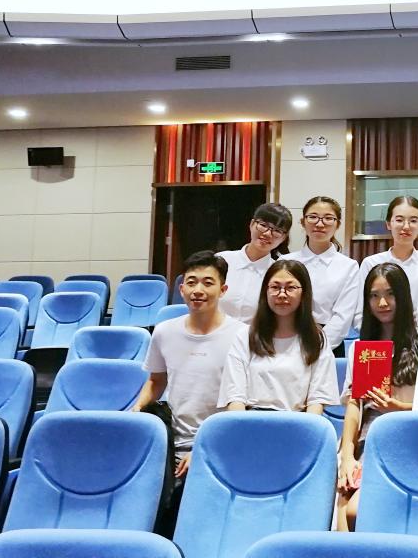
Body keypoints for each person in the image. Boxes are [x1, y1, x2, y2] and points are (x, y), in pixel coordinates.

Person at [134, 251, 243, 534]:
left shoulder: (241, 335)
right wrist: (136, 410)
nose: (198, 290)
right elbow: (156, 381)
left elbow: (241, 401)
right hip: (172, 443)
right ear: (181, 289)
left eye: (208, 282)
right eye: (192, 282)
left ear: (223, 290)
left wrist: (204, 448)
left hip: (220, 445)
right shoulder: (164, 331)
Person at [337, 263, 418, 532]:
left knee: (355, 510)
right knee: (343, 500)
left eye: (390, 294)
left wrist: (400, 408)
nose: (382, 303)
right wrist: (346, 454)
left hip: (412, 436)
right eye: (374, 296)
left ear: (403, 296)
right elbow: (355, 404)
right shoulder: (363, 348)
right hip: (369, 437)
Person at [219, 259, 339, 412]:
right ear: (265, 291)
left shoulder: (316, 339)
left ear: (304, 293)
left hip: (298, 421)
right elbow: (234, 396)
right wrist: (243, 425)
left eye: (291, 288)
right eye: (275, 287)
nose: (282, 294)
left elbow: (317, 400)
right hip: (250, 419)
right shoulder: (245, 336)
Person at [281, 196, 359, 352]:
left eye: (328, 218)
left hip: (330, 344)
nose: (320, 224)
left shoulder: (349, 266)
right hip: (286, 339)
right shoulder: (285, 262)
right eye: (313, 217)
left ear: (338, 225)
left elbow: (343, 316)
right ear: (303, 222)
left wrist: (317, 345)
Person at [357, 195, 418, 329]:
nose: (406, 227)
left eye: (413, 221)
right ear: (388, 224)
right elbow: (360, 311)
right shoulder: (371, 263)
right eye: (399, 220)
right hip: (380, 336)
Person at [217, 202, 293, 323]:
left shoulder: (279, 272)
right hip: (215, 332)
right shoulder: (222, 260)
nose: (267, 233)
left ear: (284, 238)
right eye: (263, 225)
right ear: (252, 224)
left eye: (277, 230)